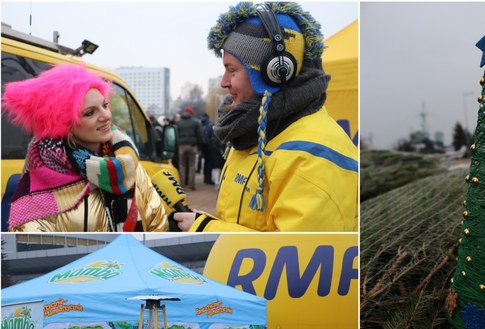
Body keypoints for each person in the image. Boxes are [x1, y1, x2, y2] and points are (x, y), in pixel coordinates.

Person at [173, 2, 358, 232]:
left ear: (275, 73)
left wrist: (206, 229)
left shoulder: (311, 155)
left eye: (232, 70)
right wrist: (210, 224)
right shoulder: (251, 131)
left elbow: (298, 256)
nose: (223, 82)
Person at [2, 64, 168, 232]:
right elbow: (31, 248)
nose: (106, 116)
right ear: (65, 123)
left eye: (105, 105)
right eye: (90, 113)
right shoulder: (40, 184)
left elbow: (157, 226)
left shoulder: (127, 163)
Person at [176, 107, 203, 190]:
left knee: (182, 165)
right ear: (191, 113)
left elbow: (176, 135)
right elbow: (199, 135)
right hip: (192, 146)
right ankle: (191, 185)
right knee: (192, 165)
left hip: (181, 146)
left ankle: (182, 184)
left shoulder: (179, 122)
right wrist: (199, 145)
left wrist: (178, 144)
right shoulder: (196, 122)